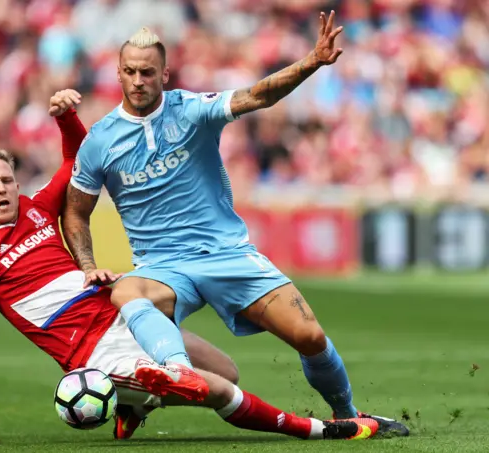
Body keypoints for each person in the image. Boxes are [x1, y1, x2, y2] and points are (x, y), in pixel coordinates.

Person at [0, 89, 379, 442]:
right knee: (212, 389)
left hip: (122, 317)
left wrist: (68, 118)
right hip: (93, 354)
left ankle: (136, 402)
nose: (2, 189)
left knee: (226, 371)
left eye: (6, 179)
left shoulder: (37, 208)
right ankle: (318, 430)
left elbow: (76, 162)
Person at [63, 12, 408, 437]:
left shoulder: (192, 110)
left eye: (147, 72)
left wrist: (312, 62)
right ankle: (175, 373)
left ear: (164, 74)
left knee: (310, 336)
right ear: (117, 73)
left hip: (226, 254)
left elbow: (257, 96)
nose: (138, 80)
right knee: (126, 289)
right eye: (130, 72)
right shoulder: (100, 139)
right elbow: (76, 211)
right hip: (162, 267)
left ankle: (347, 411)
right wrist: (86, 263)